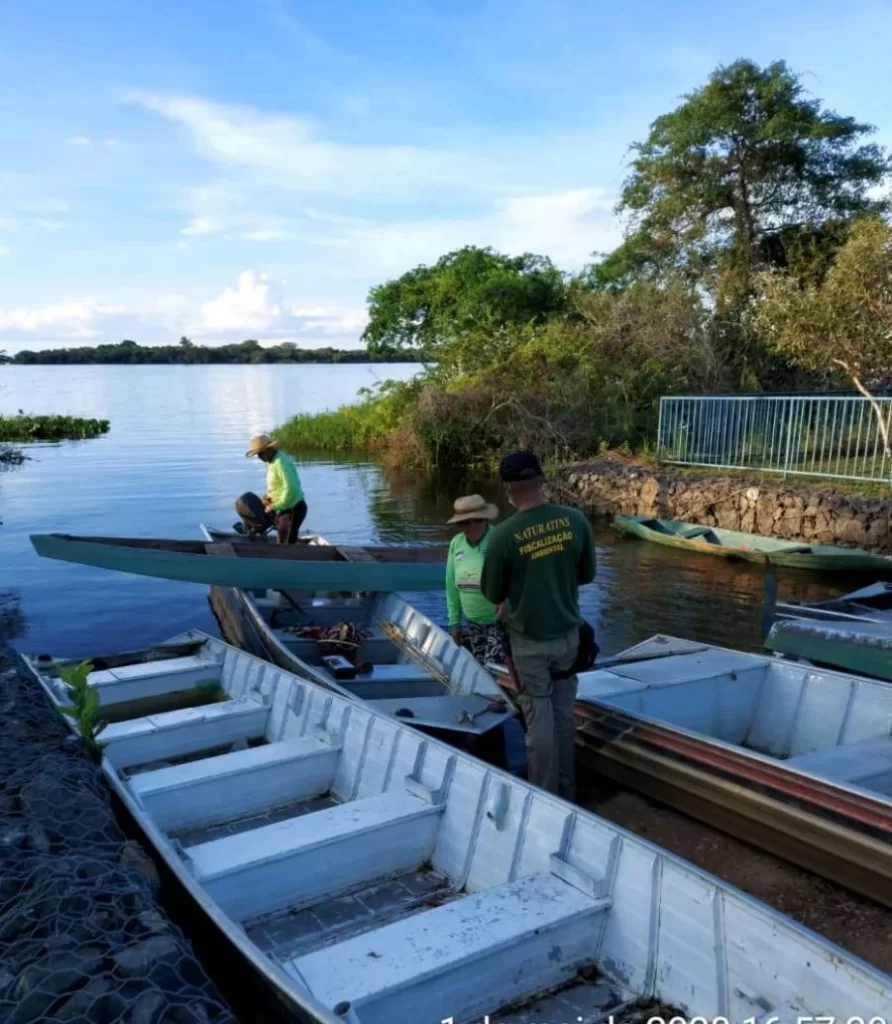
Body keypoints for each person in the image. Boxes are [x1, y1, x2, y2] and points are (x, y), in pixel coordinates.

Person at [480, 450, 596, 799]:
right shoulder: (575, 520)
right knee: (562, 713)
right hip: (569, 638)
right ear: (542, 480)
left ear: (507, 488)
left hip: (529, 642)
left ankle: (545, 797)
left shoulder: (502, 536)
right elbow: (587, 574)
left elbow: (492, 592)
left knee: (538, 719)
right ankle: (568, 788)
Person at [445, 494, 505, 666]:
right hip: (472, 622)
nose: (471, 526)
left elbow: (517, 578)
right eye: (464, 522)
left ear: (485, 519)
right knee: (480, 667)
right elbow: (451, 585)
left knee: (493, 665)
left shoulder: (500, 539)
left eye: (477, 520)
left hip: (500, 621)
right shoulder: (456, 544)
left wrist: (506, 602)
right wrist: (454, 622)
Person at [245, 434, 307, 544]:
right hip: (283, 508)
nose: (259, 457)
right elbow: (277, 485)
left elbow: (291, 488)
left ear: (268, 449)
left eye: (260, 453)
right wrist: (268, 497)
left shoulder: (281, 462)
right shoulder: (271, 461)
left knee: (285, 544)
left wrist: (275, 506)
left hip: (293, 508)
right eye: (257, 454)